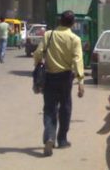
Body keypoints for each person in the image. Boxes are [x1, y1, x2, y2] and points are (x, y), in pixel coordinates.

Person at [33, 10, 85, 157]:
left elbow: (38, 53)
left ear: (60, 21)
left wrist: (38, 65)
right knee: (65, 107)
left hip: (49, 77)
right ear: (73, 23)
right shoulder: (75, 39)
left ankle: (49, 137)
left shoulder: (49, 35)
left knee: (49, 109)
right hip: (66, 78)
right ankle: (62, 139)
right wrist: (81, 82)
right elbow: (77, 60)